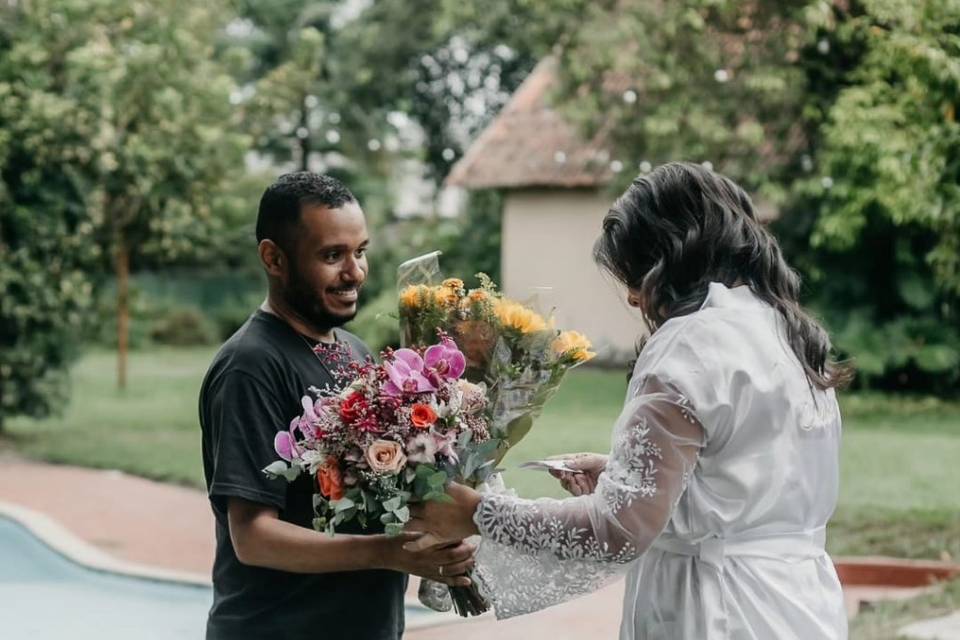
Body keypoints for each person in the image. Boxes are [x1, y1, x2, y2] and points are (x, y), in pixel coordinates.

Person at [405, 162, 851, 639]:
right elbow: (749, 476)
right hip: (797, 601)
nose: (636, 300)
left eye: (634, 278)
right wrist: (631, 472)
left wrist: (476, 512)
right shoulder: (787, 332)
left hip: (714, 611)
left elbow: (618, 530)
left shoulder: (688, 348)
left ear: (668, 262)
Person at [199, 172, 474, 640]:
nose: (355, 273)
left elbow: (384, 490)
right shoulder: (251, 366)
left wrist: (445, 521)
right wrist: (387, 552)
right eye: (332, 256)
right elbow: (252, 537)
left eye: (360, 251)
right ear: (274, 258)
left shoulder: (357, 352)